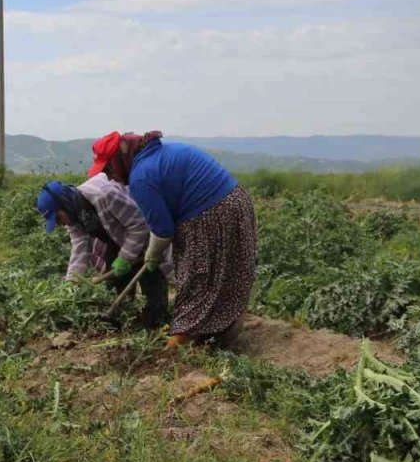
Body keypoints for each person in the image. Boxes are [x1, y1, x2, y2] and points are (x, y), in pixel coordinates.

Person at [89, 131, 256, 346]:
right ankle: (221, 332)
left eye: (108, 169)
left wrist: (152, 254)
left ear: (119, 160)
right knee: (229, 271)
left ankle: (181, 340)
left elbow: (163, 230)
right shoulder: (157, 155)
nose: (109, 177)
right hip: (236, 202)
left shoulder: (141, 176)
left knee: (196, 275)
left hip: (210, 213)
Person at [35, 175, 170, 328]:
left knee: (151, 281)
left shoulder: (104, 195)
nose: (61, 224)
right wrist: (71, 282)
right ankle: (124, 319)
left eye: (58, 218)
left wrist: (126, 257)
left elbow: (139, 226)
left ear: (64, 204)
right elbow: (80, 247)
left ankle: (157, 324)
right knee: (113, 286)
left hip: (144, 234)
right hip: (115, 240)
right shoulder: (74, 215)